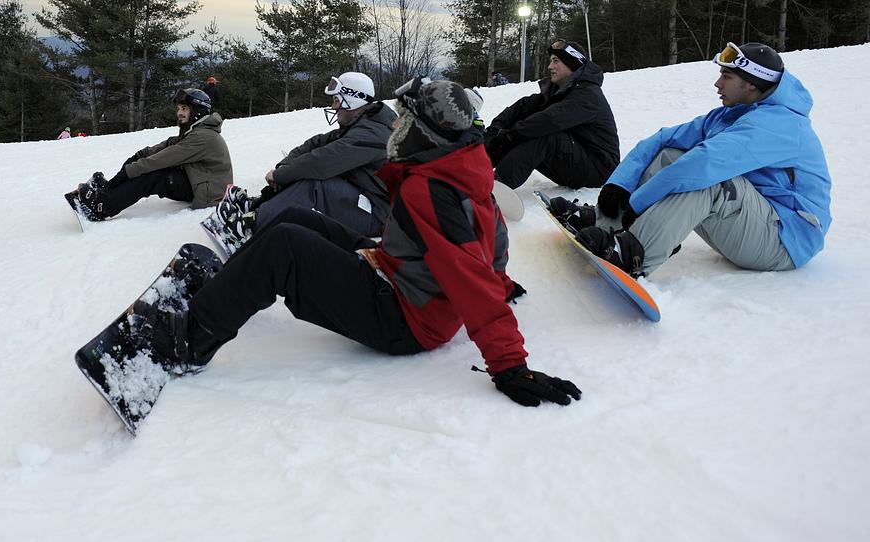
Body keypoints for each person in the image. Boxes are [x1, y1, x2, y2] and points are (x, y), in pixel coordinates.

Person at [128, 78, 579, 408]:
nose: (397, 126)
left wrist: (509, 364)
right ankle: (229, 285)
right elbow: (491, 239)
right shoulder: (463, 164)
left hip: (404, 319)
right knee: (298, 217)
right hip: (395, 271)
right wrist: (500, 280)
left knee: (285, 244)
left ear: (427, 131)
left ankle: (190, 339)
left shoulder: (434, 187)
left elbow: (468, 271)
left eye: (406, 119)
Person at [565, 42, 831, 280]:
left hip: (784, 241)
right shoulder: (729, 115)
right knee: (671, 154)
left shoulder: (780, 125)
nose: (718, 83)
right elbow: (663, 140)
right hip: (752, 221)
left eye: (726, 76)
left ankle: (633, 254)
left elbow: (703, 164)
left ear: (751, 83)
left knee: (709, 180)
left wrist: (638, 202)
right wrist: (619, 187)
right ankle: (607, 221)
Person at [212, 72, 397, 251]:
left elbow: (321, 161)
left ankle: (251, 228)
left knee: (314, 181)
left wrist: (279, 175)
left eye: (336, 100)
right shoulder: (361, 124)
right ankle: (260, 206)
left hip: (377, 215)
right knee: (301, 171)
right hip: (363, 198)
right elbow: (315, 143)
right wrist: (284, 167)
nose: (333, 107)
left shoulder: (372, 134)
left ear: (352, 100)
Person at [67, 88, 232, 221]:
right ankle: (107, 190)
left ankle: (103, 206)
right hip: (199, 180)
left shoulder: (203, 137)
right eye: (179, 109)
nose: (179, 113)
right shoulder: (196, 131)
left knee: (154, 175)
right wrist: (140, 155)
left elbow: (163, 159)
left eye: (184, 109)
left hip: (209, 192)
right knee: (144, 165)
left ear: (197, 111)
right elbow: (168, 145)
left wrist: (128, 171)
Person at [484, 39, 619, 190]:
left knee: (542, 133)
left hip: (598, 169)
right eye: (550, 61)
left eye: (556, 61)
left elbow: (548, 120)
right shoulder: (561, 90)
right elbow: (524, 106)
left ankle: (497, 187)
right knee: (525, 126)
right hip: (576, 160)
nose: (550, 67)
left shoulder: (587, 95)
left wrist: (508, 136)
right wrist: (495, 129)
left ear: (572, 63)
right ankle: (474, 168)